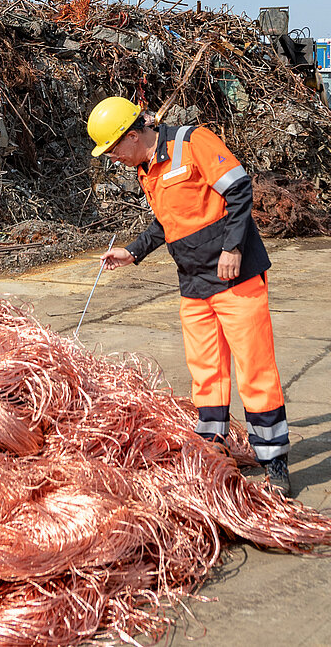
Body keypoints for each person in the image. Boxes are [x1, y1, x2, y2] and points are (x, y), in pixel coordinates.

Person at [87, 96, 291, 497]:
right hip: (194, 284)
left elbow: (239, 189)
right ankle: (213, 452)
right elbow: (168, 221)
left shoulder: (192, 142)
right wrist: (133, 252)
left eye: (113, 149)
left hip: (236, 278)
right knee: (207, 373)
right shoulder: (146, 170)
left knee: (256, 371)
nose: (113, 159)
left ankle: (274, 462)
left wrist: (233, 248)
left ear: (132, 136)